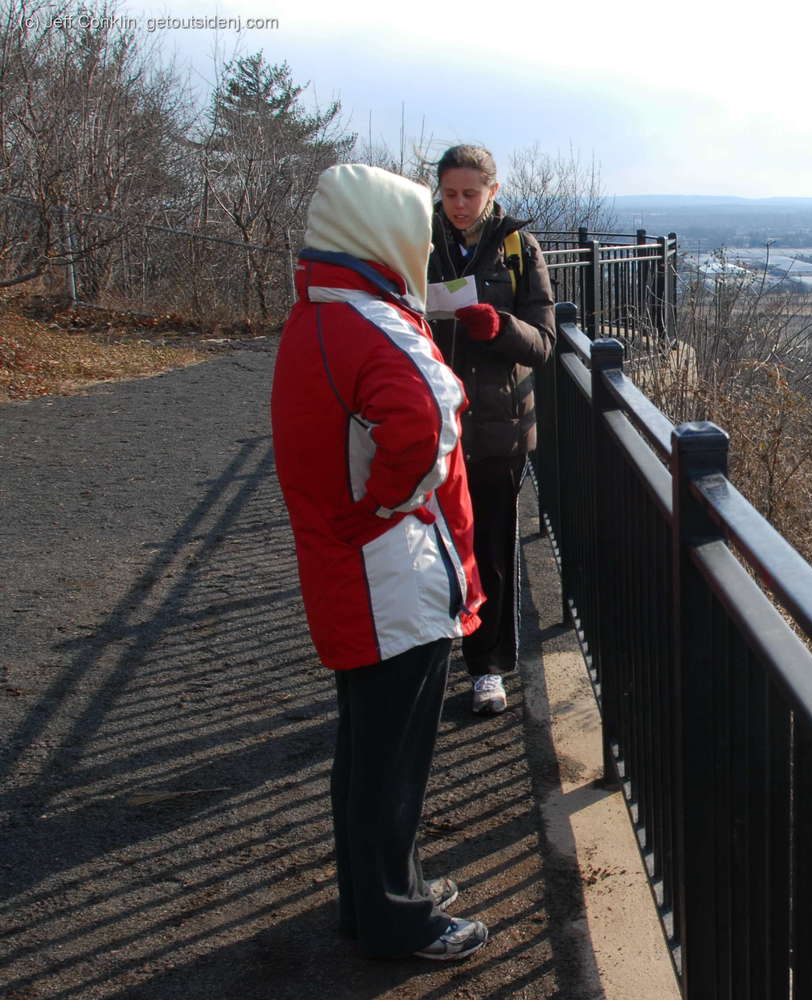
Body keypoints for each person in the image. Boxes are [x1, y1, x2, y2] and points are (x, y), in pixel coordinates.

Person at [270, 163, 490, 961]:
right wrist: (392, 503)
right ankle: (401, 921)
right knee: (392, 764)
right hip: (387, 576)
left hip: (347, 568)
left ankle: (374, 900)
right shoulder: (372, 319)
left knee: (365, 753)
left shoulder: (319, 308)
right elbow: (432, 415)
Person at [427, 144, 557, 715]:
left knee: (491, 548)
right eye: (450, 193)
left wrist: (498, 325)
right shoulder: (417, 238)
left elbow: (545, 342)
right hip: (429, 420)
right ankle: (427, 662)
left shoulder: (518, 248)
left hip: (497, 426)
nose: (459, 205)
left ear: (493, 192)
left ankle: (488, 668)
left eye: (470, 194)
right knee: (429, 548)